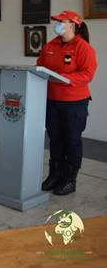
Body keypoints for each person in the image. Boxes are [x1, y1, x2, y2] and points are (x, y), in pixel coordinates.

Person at [38, 10, 97, 195]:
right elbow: (39, 66)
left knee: (71, 139)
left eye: (61, 21)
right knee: (55, 138)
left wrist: (65, 78)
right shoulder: (50, 45)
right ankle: (55, 174)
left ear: (72, 25)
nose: (57, 24)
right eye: (57, 21)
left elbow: (88, 74)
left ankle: (70, 178)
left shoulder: (83, 47)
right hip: (52, 100)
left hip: (74, 102)